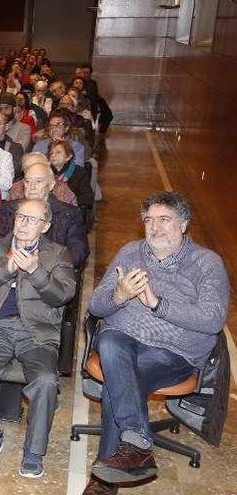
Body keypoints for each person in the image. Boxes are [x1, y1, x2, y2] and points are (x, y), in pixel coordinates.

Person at [83, 192, 229, 494]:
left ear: (184, 225)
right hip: (122, 341)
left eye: (165, 220)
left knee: (118, 383)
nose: (155, 227)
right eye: (149, 220)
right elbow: (96, 305)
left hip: (172, 352)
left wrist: (157, 304)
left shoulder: (206, 263)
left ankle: (103, 481)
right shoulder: (130, 252)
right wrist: (119, 296)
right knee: (110, 343)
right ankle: (137, 441)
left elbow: (213, 318)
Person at [0, 198, 76, 479]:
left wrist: (35, 271)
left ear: (46, 226)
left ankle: (34, 450)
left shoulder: (58, 254)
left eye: (32, 219)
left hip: (37, 332)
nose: (24, 224)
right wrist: (7, 268)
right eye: (21, 217)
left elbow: (64, 294)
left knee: (47, 380)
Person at [0, 160, 90, 268]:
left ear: (51, 185)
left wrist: (37, 266)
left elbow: (77, 254)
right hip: (8, 270)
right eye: (27, 181)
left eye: (38, 181)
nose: (32, 186)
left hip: (49, 275)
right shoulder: (8, 209)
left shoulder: (68, 214)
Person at [48, 140, 93, 210]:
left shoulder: (79, 172)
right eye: (51, 153)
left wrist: (69, 199)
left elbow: (87, 199)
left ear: (68, 156)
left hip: (71, 212)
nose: (53, 155)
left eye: (58, 152)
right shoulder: (45, 172)